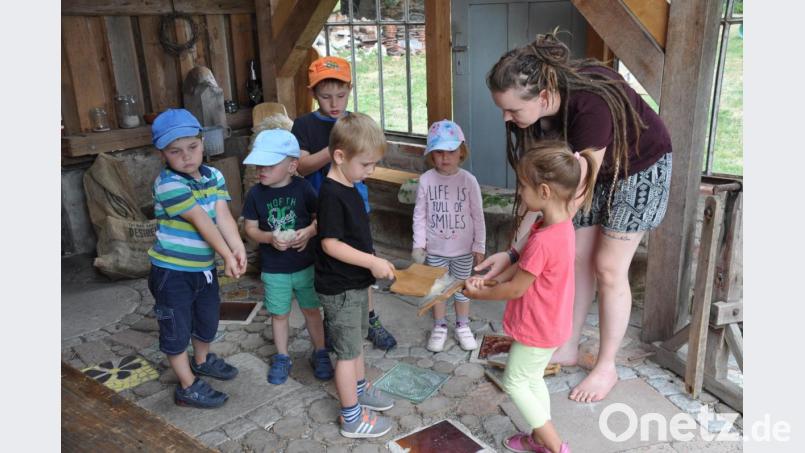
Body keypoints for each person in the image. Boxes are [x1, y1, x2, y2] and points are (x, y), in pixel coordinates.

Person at [479, 31, 673, 403]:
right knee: (575, 256)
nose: (506, 118)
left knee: (607, 266)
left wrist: (518, 259)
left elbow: (565, 203)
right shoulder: (536, 117)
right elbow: (540, 193)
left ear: (545, 96)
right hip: (588, 167)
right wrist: (511, 253)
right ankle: (566, 345)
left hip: (639, 166)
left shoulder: (589, 106)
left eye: (513, 110)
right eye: (502, 108)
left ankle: (606, 366)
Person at [465, 141, 599, 453]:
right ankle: (540, 439)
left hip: (538, 328)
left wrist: (479, 293)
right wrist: (493, 279)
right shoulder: (558, 224)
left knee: (514, 382)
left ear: (544, 191)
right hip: (552, 323)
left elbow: (516, 288)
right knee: (533, 378)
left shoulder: (543, 240)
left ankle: (555, 446)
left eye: (523, 186)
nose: (520, 193)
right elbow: (521, 270)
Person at [292, 55, 397, 351]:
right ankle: (331, 322)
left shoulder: (355, 123)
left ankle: (370, 317)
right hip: (320, 206)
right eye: (325, 97)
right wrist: (335, 147)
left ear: (350, 89)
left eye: (341, 95)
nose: (334, 102)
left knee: (364, 260)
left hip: (355, 205)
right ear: (314, 95)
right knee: (329, 264)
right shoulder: (304, 126)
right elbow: (301, 167)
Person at [147, 109, 247, 408]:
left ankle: (201, 360)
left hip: (203, 270)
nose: (186, 156)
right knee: (176, 328)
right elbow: (202, 220)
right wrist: (225, 253)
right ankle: (187, 385)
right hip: (172, 273)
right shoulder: (168, 184)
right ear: (162, 153)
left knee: (207, 318)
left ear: (203, 143)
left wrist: (238, 246)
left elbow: (221, 215)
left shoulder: (213, 176)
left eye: (192, 147)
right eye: (175, 151)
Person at [315, 112, 397, 438]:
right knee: (347, 354)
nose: (371, 171)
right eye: (366, 164)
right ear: (339, 156)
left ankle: (360, 390)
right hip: (341, 288)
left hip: (355, 284)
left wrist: (373, 258)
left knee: (357, 344)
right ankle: (351, 417)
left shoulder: (350, 184)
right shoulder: (332, 194)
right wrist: (370, 262)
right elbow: (331, 244)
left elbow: (354, 237)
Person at [241, 129, 334, 385]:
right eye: (259, 164)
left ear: (292, 166)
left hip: (305, 265)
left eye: (269, 164)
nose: (262, 169)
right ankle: (282, 356)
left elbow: (320, 217)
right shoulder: (255, 195)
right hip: (274, 268)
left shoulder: (303, 189)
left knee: (312, 311)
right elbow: (249, 229)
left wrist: (309, 231)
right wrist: (270, 238)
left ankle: (321, 351)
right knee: (279, 314)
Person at [412, 120, 486, 352]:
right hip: (436, 250)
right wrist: (419, 244)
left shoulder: (468, 181)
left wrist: (479, 245)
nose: (445, 157)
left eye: (451, 151)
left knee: (462, 289)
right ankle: (440, 325)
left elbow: (477, 215)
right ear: (432, 154)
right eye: (439, 152)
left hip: (463, 249)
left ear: (461, 151)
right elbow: (420, 215)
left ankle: (463, 325)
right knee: (438, 290)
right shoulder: (426, 180)